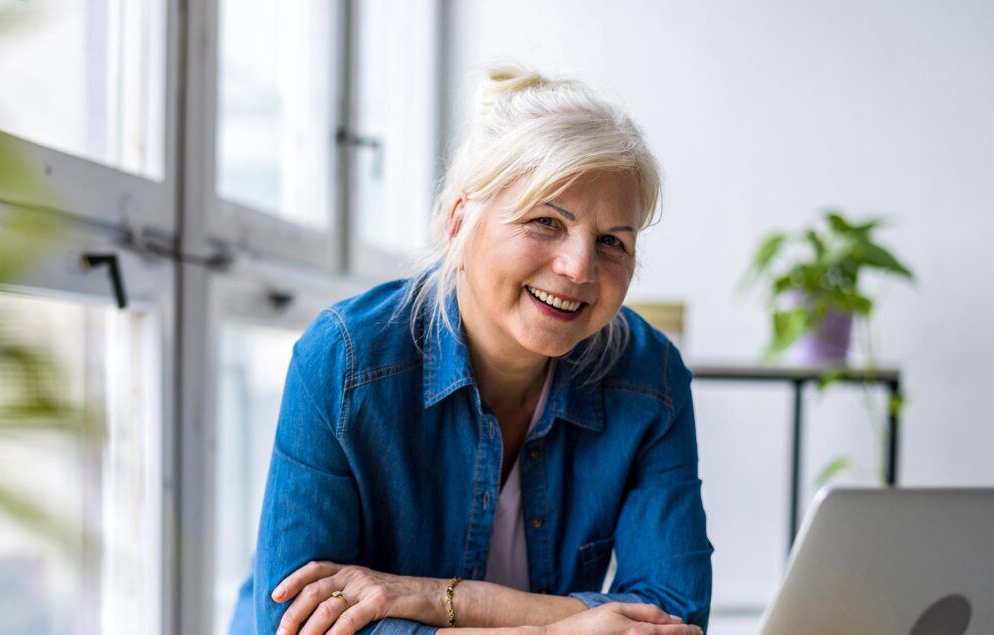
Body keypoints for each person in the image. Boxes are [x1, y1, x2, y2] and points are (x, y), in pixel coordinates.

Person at [231, 67, 712, 635]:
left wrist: (432, 599)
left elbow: (672, 616)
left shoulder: (650, 376)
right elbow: (291, 622)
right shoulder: (346, 360)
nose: (579, 268)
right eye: (545, 222)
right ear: (461, 222)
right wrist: (553, 632)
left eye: (613, 241)